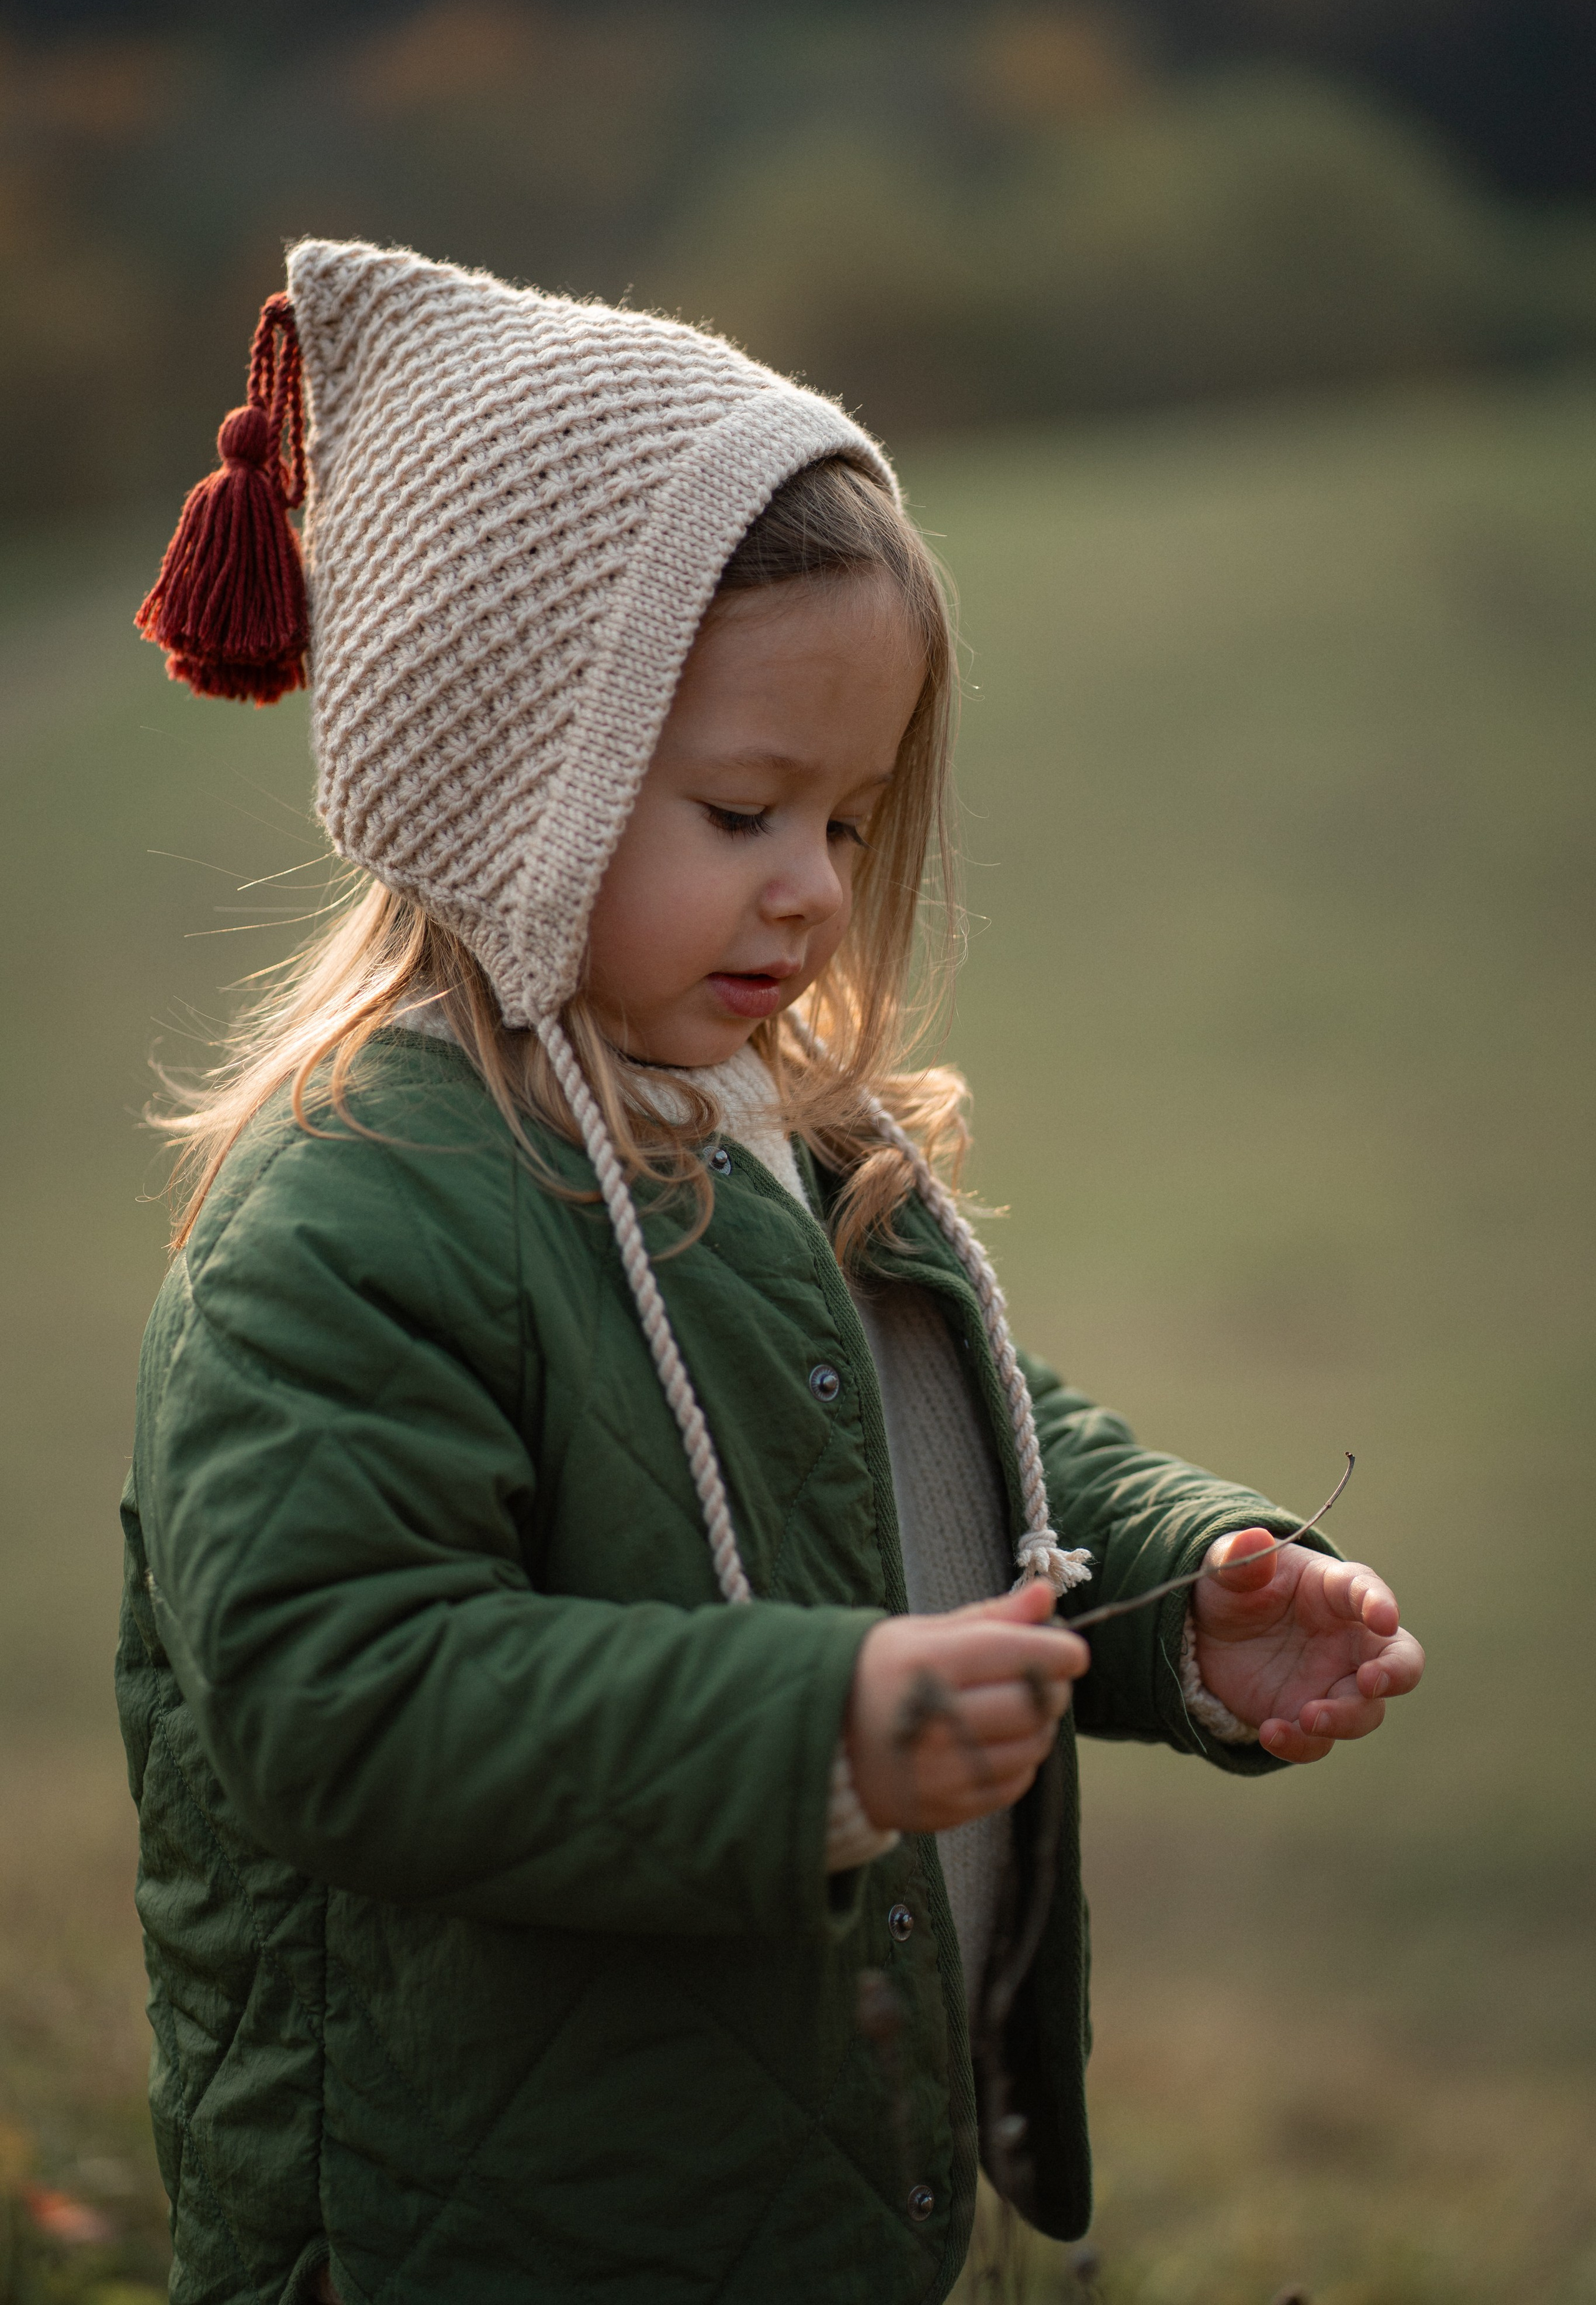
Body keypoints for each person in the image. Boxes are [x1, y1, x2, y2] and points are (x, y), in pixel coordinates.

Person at [118, 240, 1423, 2305]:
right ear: (501, 782)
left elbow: (965, 1443)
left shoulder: (771, 1133)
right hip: (488, 2228)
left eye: (852, 811)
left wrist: (1194, 1593)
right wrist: (807, 1731)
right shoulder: (353, 1215)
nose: (813, 886)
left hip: (799, 2190)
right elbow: (337, 1698)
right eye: (744, 808)